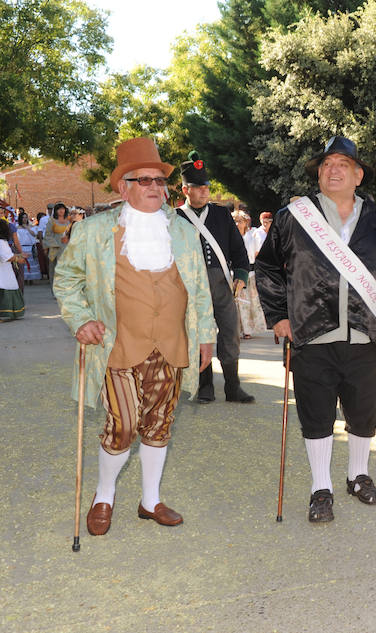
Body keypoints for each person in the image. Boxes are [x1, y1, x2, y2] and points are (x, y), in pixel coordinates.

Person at [54, 137, 216, 535]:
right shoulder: (93, 231)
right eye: (143, 180)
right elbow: (67, 280)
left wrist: (206, 336)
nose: (154, 188)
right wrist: (81, 320)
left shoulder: (182, 231)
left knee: (160, 424)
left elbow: (198, 288)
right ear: (123, 187)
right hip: (118, 345)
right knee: (123, 425)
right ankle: (104, 495)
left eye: (159, 181)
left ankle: (150, 500)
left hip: (173, 344)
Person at [256, 135, 376, 523]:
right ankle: (320, 488)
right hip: (311, 334)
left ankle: (358, 476)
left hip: (365, 335)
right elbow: (266, 267)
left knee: (364, 412)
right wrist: (280, 315)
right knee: (315, 415)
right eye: (326, 165)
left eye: (342, 165)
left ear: (358, 175)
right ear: (318, 174)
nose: (333, 170)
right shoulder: (294, 217)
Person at [176, 151, 254, 404]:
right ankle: (205, 384)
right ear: (185, 190)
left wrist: (241, 275)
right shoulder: (175, 218)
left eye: (206, 187)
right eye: (198, 188)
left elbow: (238, 250)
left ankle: (233, 386)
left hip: (222, 283)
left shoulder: (221, 215)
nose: (204, 192)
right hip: (189, 286)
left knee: (230, 332)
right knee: (199, 332)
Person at [232, 209, 267, 338]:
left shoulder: (252, 236)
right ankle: (236, 329)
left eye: (240, 221)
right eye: (235, 221)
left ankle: (248, 330)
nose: (237, 224)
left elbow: (258, 253)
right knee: (236, 303)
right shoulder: (230, 237)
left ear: (245, 223)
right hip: (234, 272)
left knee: (249, 302)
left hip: (250, 273)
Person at [0, 219, 27, 321]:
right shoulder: (1, 242)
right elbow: (6, 257)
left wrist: (19, 255)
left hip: (4, 269)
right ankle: (5, 313)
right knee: (6, 287)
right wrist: (18, 259)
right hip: (3, 272)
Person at [15, 212, 41, 283]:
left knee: (31, 263)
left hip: (30, 247)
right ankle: (24, 279)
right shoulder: (17, 227)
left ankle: (31, 279)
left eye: (26, 217)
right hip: (22, 247)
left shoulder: (31, 226)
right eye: (23, 217)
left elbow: (34, 234)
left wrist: (27, 228)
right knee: (24, 264)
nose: (25, 219)